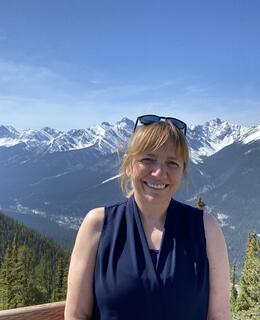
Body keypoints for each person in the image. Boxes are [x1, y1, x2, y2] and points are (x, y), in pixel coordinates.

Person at [64, 115, 231, 320]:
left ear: (182, 170)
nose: (159, 172)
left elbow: (220, 316)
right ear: (128, 164)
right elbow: (76, 315)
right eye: (147, 160)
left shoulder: (206, 229)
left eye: (172, 163)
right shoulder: (98, 225)